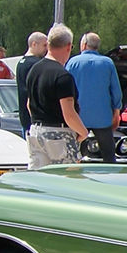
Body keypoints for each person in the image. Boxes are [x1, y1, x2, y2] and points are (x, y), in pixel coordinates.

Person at [24, 24, 90, 168]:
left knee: (38, 180)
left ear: (48, 45)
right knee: (66, 179)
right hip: (59, 136)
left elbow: (29, 104)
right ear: (68, 46)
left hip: (36, 131)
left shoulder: (33, 71)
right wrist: (83, 133)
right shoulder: (62, 76)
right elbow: (69, 114)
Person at [65, 32, 123, 163]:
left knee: (73, 152)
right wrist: (117, 112)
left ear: (84, 45)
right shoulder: (108, 63)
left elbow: (65, 88)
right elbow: (116, 91)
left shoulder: (72, 63)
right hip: (102, 118)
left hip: (78, 117)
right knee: (109, 155)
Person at [15, 31, 49, 136]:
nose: (46, 49)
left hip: (24, 116)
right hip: (34, 118)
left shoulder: (21, 63)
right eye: (44, 45)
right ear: (34, 44)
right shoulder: (36, 64)